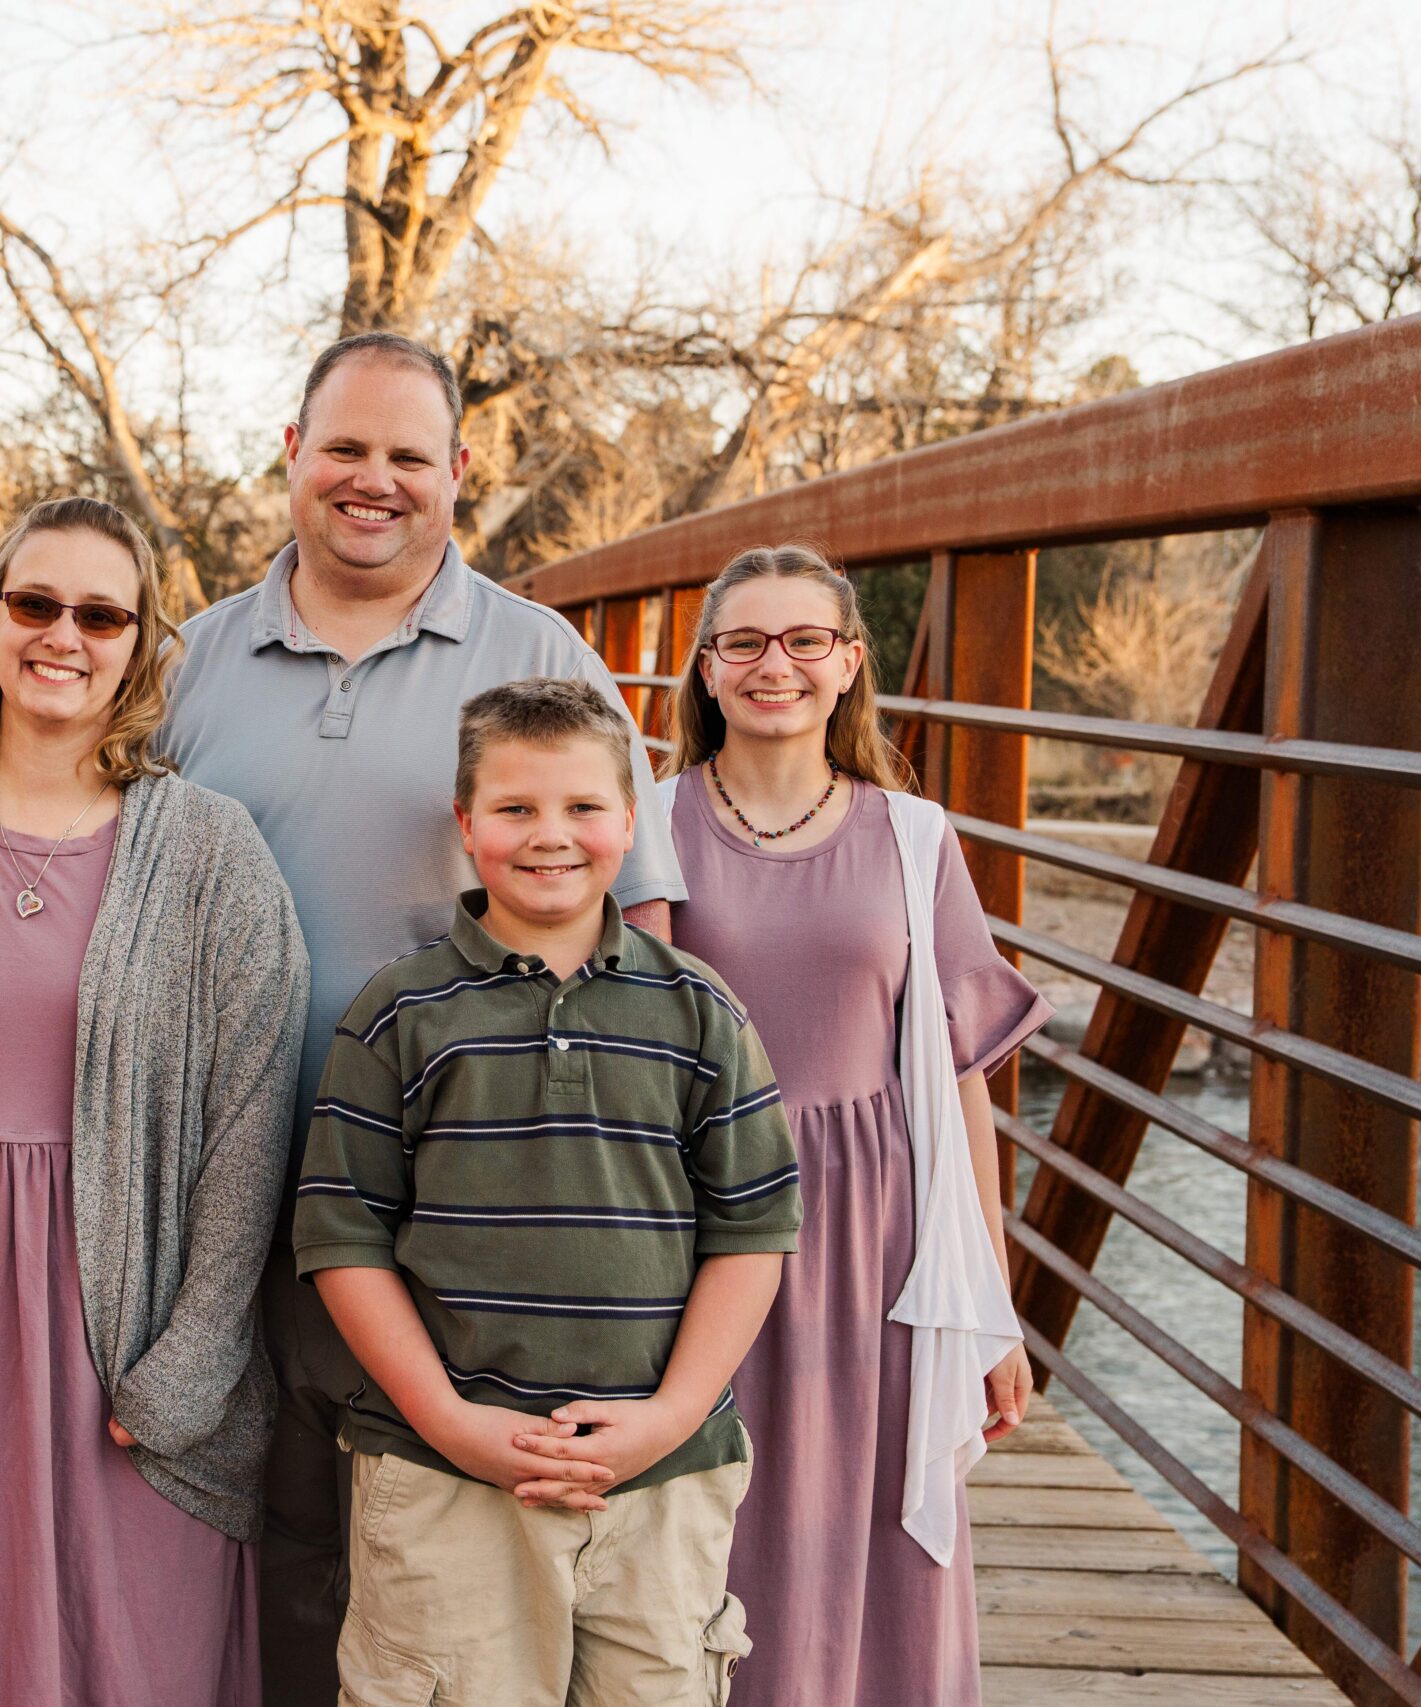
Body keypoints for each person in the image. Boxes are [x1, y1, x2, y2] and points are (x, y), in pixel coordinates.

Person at [157, 331, 688, 1702]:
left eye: (408, 456)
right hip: (224, 1174)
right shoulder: (189, 663)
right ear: (290, 453)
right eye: (345, 447)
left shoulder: (539, 652)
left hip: (463, 1193)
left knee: (442, 1527)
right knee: (260, 1520)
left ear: (459, 473)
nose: (372, 481)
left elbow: (645, 932)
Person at [0, 497, 310, 1707]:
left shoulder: (208, 853)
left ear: (138, 645)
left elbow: (252, 1123)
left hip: (124, 1332)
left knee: (135, 1648)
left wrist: (190, 1359)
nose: (62, 636)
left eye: (100, 613)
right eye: (34, 604)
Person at [295, 677, 797, 1705]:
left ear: (629, 819)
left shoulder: (699, 1010)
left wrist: (666, 1418)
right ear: (466, 822)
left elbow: (754, 1228)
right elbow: (341, 1235)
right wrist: (446, 1421)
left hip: (658, 1475)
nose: (549, 836)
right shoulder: (399, 1010)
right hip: (446, 1472)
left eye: (580, 808)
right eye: (515, 809)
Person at [658, 544, 1054, 1707]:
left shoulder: (915, 837)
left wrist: (993, 1304)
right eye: (744, 641)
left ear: (847, 666)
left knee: (874, 1524)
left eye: (804, 641)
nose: (773, 664)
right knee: (716, 1520)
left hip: (877, 1230)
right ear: (707, 668)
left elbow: (958, 1077)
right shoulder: (644, 821)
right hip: (705, 1217)